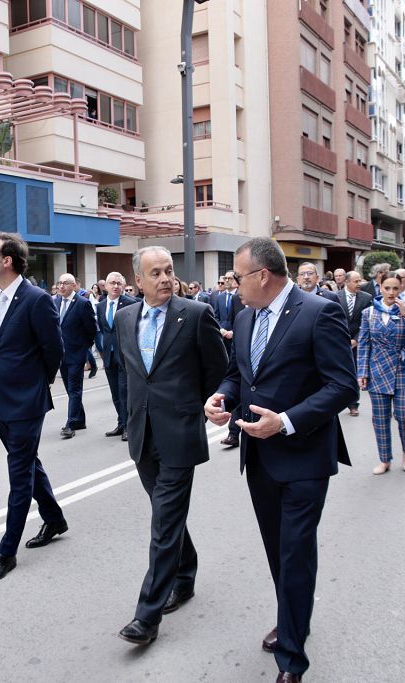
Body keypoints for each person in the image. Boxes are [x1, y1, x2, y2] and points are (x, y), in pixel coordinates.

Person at [205, 238, 356, 681]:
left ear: (262, 276)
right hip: (259, 457)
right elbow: (239, 376)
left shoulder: (319, 311)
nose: (233, 287)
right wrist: (221, 398)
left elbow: (343, 386)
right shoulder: (245, 316)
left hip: (305, 457)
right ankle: (293, 619)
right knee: (278, 552)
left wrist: (287, 421)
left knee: (295, 554)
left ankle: (292, 657)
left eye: (237, 277)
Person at [113, 246, 227, 646]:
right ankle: (185, 574)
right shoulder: (125, 318)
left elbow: (218, 369)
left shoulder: (195, 314)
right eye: (155, 273)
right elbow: (131, 374)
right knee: (168, 515)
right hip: (142, 434)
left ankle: (147, 617)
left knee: (163, 522)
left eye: (169, 271)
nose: (165, 279)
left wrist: (209, 404)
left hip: (180, 434)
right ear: (138, 282)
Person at [0, 231, 68, 583]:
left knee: (18, 474)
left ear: (8, 261)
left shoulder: (36, 299)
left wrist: (34, 385)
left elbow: (54, 350)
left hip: (26, 401)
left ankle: (6, 550)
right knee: (27, 462)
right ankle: (54, 518)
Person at [356, 275, 405, 474]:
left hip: (404, 368)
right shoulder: (369, 313)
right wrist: (362, 372)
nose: (392, 293)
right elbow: (364, 343)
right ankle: (384, 459)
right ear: (380, 289)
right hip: (378, 368)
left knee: (403, 415)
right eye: (387, 288)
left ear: (401, 288)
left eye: (395, 288)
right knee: (380, 418)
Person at [52, 273, 96, 439]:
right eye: (59, 283)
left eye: (65, 283)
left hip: (76, 353)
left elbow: (91, 328)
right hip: (60, 355)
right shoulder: (54, 301)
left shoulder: (82, 303)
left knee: (75, 388)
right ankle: (80, 419)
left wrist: (84, 348)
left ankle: (70, 424)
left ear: (73, 286)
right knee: (70, 390)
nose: (61, 286)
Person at [96, 271, 138, 441]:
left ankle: (129, 426)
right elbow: (104, 329)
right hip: (109, 355)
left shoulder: (132, 303)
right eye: (112, 283)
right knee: (114, 392)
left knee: (125, 391)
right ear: (105, 286)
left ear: (123, 286)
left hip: (125, 355)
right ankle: (121, 423)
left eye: (118, 283)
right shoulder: (100, 306)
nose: (115, 286)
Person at [214, 271, 245, 448]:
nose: (228, 281)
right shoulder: (235, 300)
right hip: (234, 345)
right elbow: (235, 320)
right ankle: (234, 433)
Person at [337, 271, 372, 417]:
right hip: (339, 341)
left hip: (358, 342)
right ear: (347, 282)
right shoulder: (336, 297)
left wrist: (356, 339)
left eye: (360, 281)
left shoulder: (367, 298)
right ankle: (336, 403)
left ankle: (353, 404)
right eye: (356, 281)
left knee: (354, 373)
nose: (359, 284)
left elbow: (367, 321)